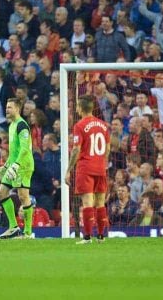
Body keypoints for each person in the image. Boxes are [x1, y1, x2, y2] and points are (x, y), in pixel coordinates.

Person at [65, 95, 110, 244]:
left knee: (88, 203)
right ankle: (102, 236)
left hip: (85, 168)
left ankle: (87, 237)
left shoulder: (79, 125)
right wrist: (102, 161)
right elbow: (108, 147)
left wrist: (69, 169)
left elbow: (76, 149)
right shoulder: (103, 125)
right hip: (100, 167)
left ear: (80, 108)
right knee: (101, 202)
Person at [0, 98, 35, 239]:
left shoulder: (22, 126)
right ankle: (13, 227)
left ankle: (28, 233)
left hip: (23, 165)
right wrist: (5, 166)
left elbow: (25, 149)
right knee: (1, 192)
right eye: (6, 107)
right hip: (14, 165)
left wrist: (16, 165)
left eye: (10, 107)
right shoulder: (11, 125)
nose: (7, 110)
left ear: (17, 109)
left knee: (23, 196)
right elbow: (13, 152)